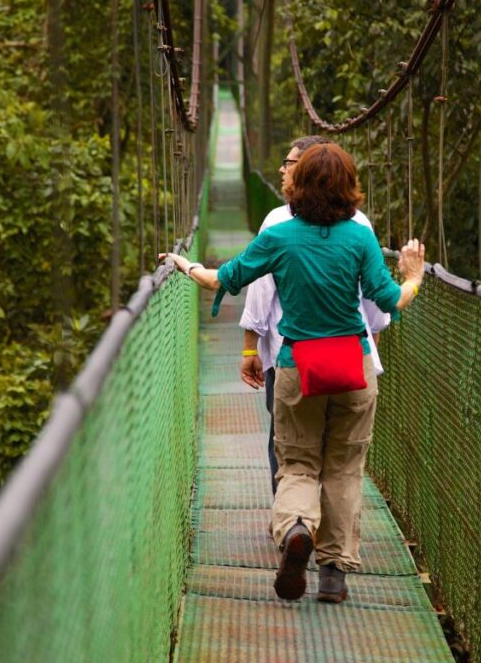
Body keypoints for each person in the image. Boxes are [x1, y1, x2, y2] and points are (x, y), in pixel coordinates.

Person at [161, 144, 425, 604]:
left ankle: (297, 529)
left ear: (296, 184)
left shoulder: (279, 235)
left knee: (298, 463)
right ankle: (334, 576)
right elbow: (389, 301)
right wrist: (414, 276)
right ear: (348, 187)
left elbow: (219, 279)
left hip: (297, 366)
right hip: (354, 368)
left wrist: (184, 264)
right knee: (343, 468)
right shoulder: (360, 237)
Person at [239, 135, 391, 495]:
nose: (281, 169)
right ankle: (329, 535)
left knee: (290, 445)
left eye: (289, 164)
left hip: (288, 354)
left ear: (309, 171)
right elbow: (374, 301)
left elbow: (259, 292)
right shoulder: (361, 226)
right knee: (340, 450)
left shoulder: (277, 223)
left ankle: (293, 521)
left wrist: (250, 352)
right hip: (350, 354)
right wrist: (370, 353)